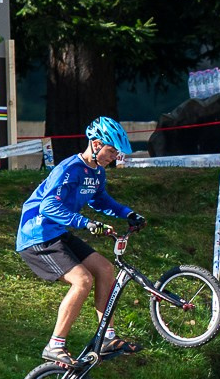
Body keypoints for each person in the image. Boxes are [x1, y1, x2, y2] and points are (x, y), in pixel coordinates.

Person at [16, 116, 148, 365]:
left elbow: (101, 200)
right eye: (111, 150)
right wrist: (84, 222)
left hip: (57, 234)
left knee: (105, 269)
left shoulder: (96, 172)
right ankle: (55, 344)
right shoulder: (69, 169)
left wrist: (128, 213)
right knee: (83, 280)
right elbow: (48, 206)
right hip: (37, 236)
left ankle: (107, 337)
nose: (114, 157)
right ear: (96, 144)